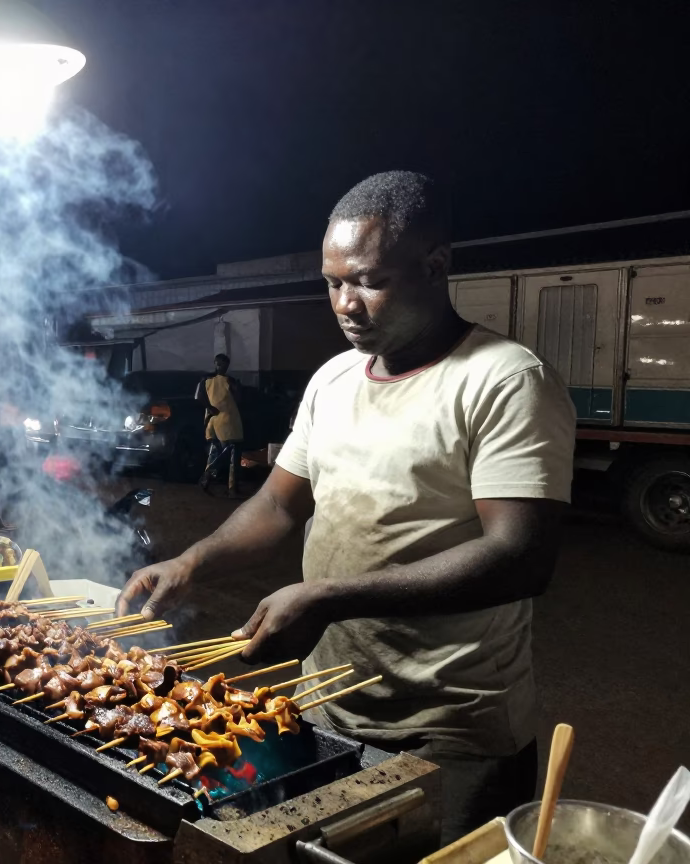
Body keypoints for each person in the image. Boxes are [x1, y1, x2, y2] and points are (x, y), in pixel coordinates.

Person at [117, 172, 576, 844]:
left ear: (435, 267)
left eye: (367, 280)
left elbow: (520, 556)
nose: (345, 303)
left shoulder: (504, 379)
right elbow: (277, 504)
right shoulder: (333, 380)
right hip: (327, 711)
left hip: (450, 733)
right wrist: (192, 561)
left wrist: (329, 597)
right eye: (332, 283)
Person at [195, 353, 244, 497]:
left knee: (215, 452)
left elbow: (198, 396)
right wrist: (238, 387)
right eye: (220, 363)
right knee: (232, 455)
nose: (221, 366)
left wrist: (209, 408)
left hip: (212, 421)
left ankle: (207, 479)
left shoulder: (206, 379)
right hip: (229, 422)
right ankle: (231, 488)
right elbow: (240, 398)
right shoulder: (229, 380)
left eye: (222, 364)